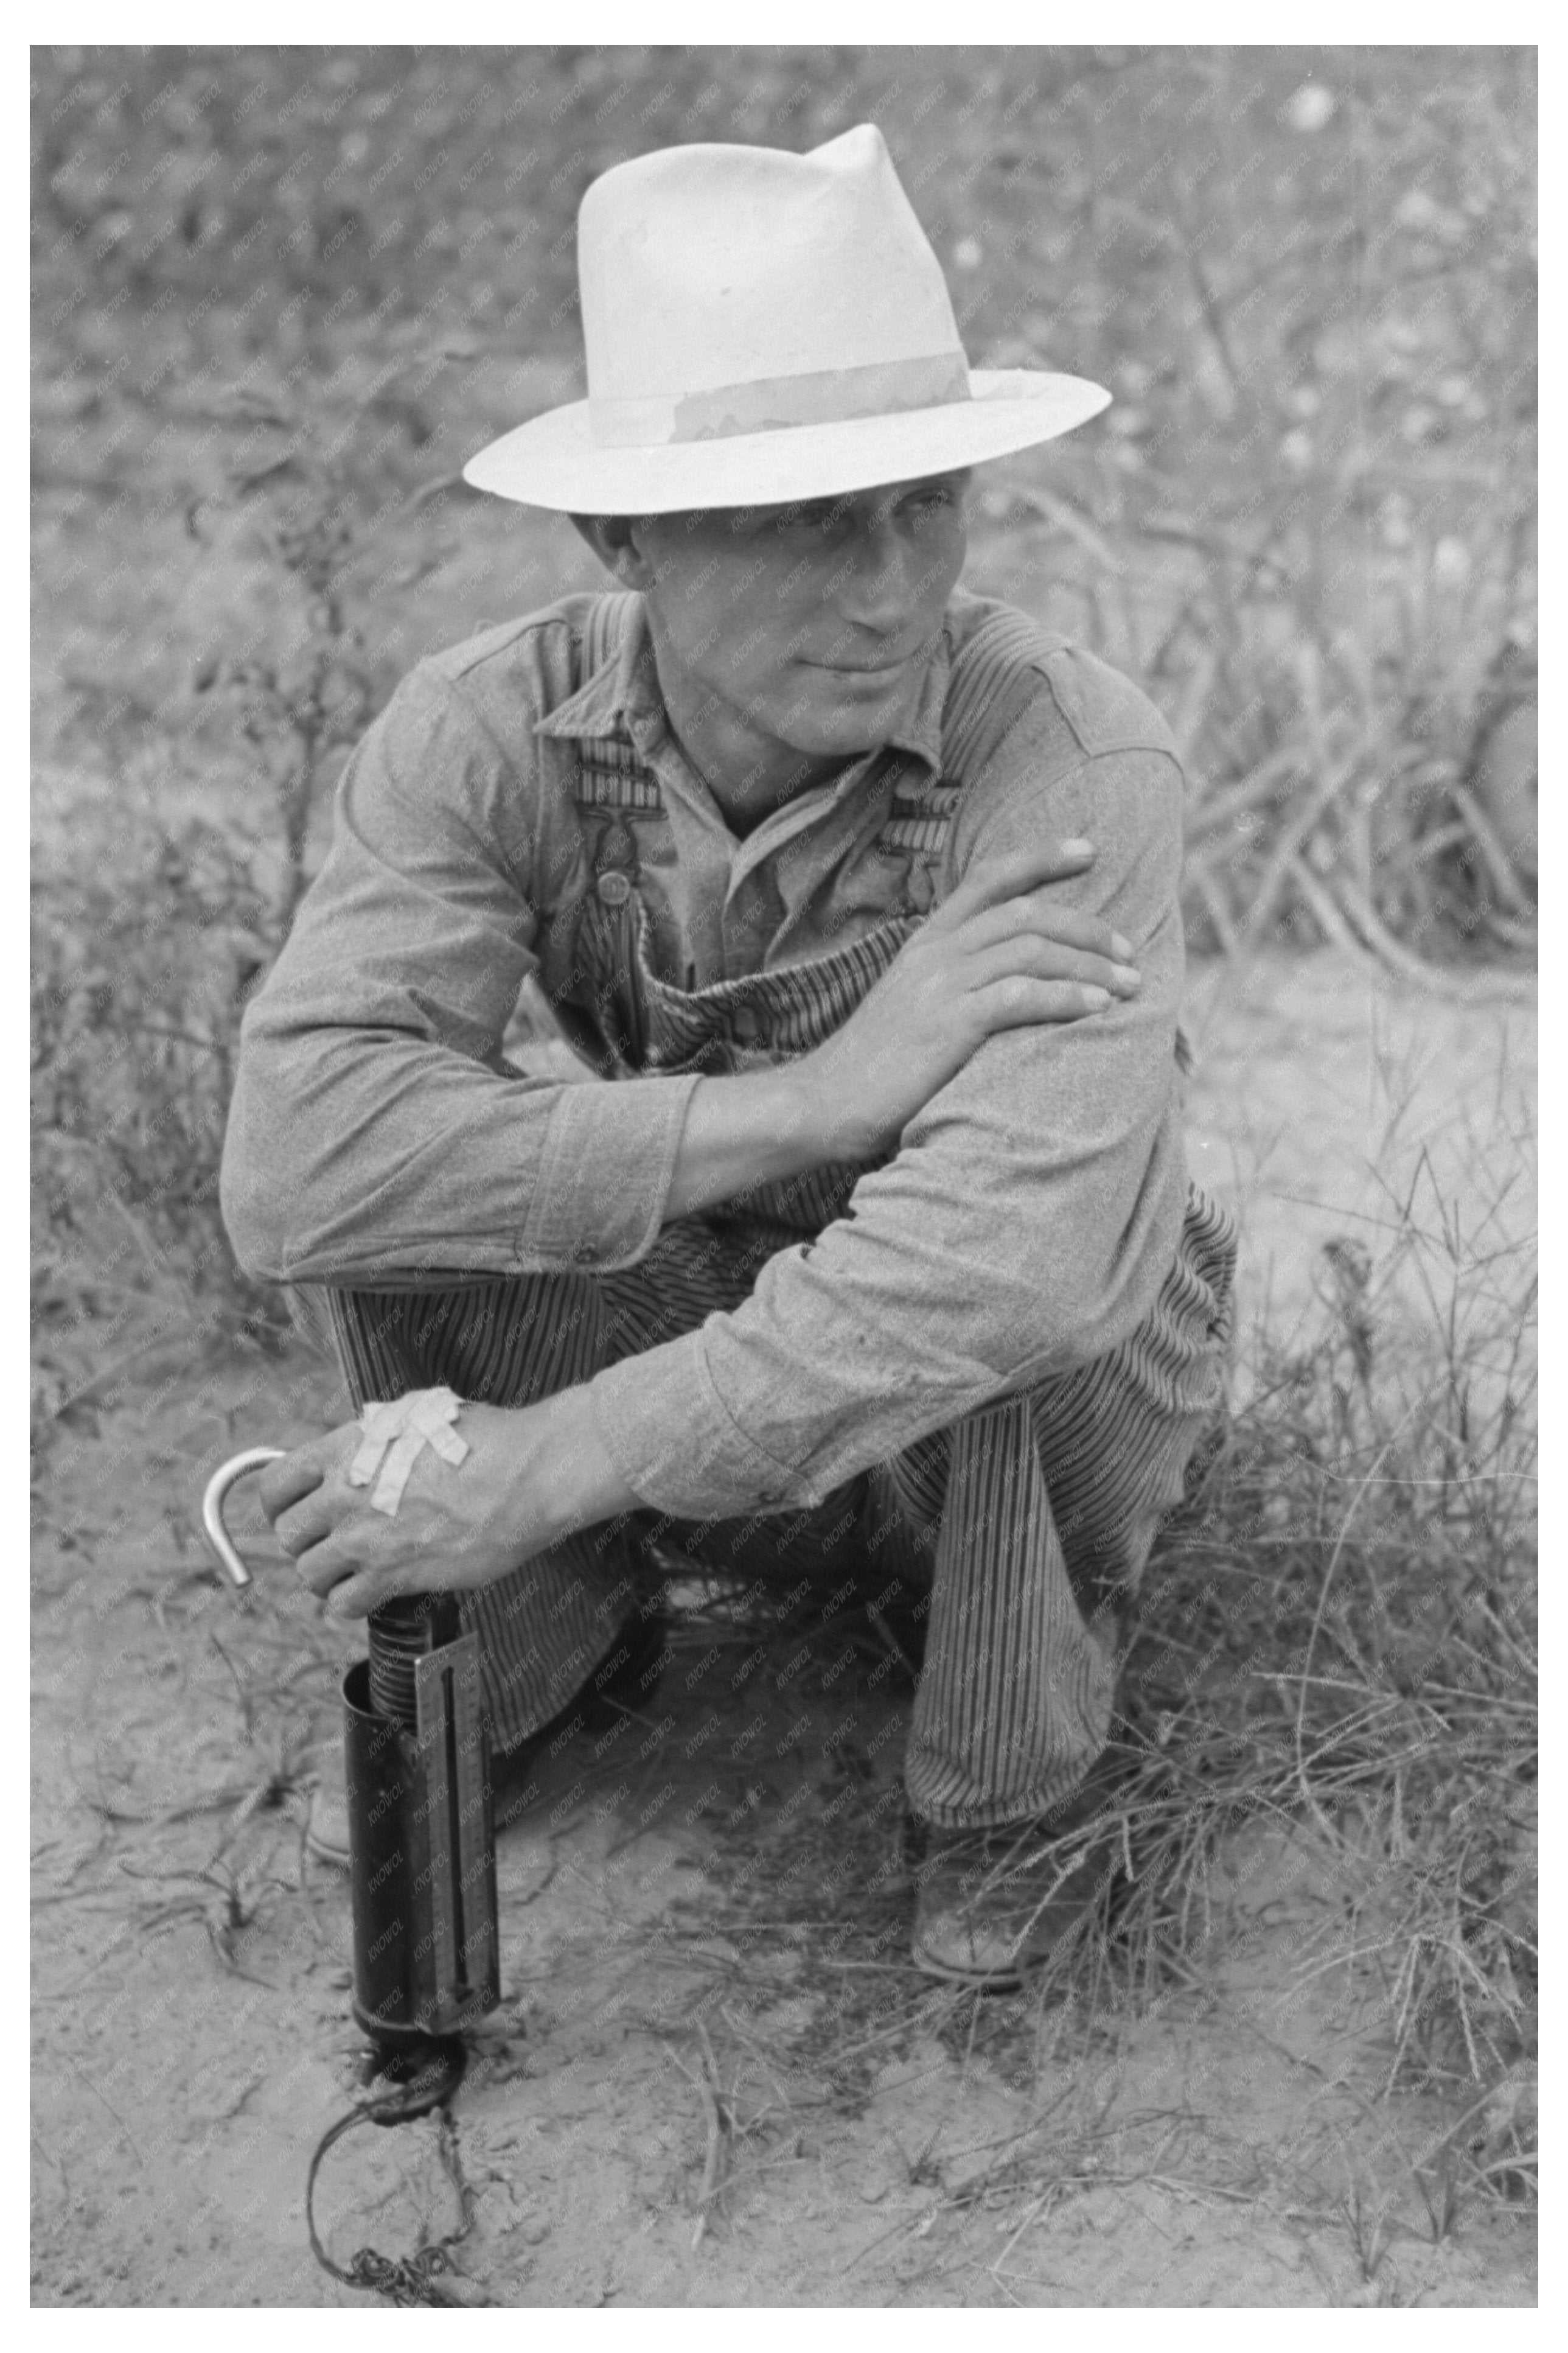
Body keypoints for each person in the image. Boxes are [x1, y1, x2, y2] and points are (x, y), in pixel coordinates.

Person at [220, 124, 1237, 1988]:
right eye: (796, 518)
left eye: (925, 503)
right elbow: (297, 1158)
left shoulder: (1065, 761)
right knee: (417, 1169)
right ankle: (542, 1641)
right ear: (620, 538)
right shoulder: (487, 729)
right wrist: (814, 1098)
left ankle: (1010, 1788)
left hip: (1017, 1420)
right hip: (733, 1300)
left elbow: (1001, 1258)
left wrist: (552, 1454)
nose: (886, 587)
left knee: (1013, 1275)